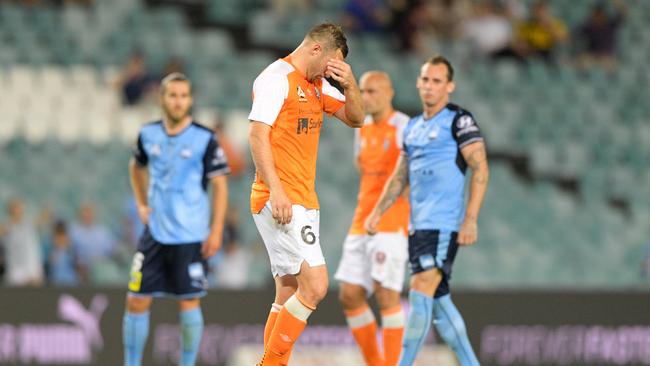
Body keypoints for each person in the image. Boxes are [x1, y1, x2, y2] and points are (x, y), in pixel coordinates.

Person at [248, 22, 364, 365]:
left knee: (288, 290)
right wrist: (278, 192)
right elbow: (257, 136)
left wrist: (350, 83)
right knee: (315, 286)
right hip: (280, 198)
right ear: (316, 49)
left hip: (302, 200)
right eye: (332, 63)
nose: (331, 70)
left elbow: (356, 118)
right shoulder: (276, 78)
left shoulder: (315, 85)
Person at [366, 56, 489, 366]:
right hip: (417, 227)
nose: (430, 86)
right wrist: (378, 212)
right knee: (439, 302)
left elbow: (480, 168)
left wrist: (470, 218)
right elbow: (400, 175)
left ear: (449, 86)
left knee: (420, 292)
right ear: (418, 82)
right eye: (426, 80)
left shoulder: (459, 121)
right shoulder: (413, 128)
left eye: (437, 81)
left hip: (442, 225)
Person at [122, 73, 230, 366]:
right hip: (155, 232)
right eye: (173, 95)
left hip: (191, 234)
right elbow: (136, 167)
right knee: (136, 299)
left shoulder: (205, 139)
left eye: (184, 96)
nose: (178, 101)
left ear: (190, 100)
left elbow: (220, 185)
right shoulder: (148, 134)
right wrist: (141, 202)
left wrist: (216, 230)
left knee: (189, 301)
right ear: (162, 99)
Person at [333, 71, 410, 366]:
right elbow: (361, 165)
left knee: (386, 295)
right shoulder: (360, 126)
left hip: (391, 221)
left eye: (373, 91)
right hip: (361, 218)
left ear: (390, 93)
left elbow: (412, 174)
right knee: (350, 295)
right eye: (363, 91)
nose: (366, 97)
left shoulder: (404, 127)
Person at [0, 198, 44, 286]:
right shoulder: (6, 227)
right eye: (15, 208)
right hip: (15, 274)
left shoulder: (29, 224)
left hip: (33, 273)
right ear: (10, 210)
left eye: (19, 208)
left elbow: (43, 219)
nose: (18, 211)